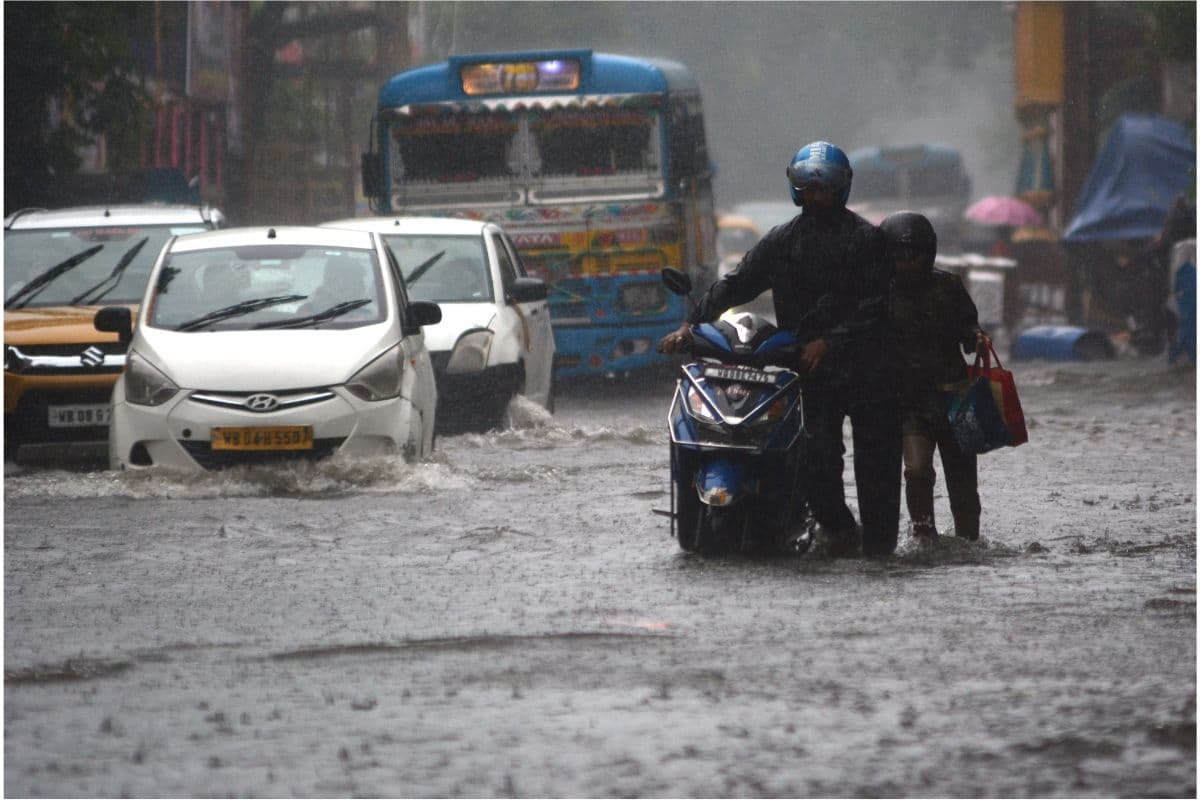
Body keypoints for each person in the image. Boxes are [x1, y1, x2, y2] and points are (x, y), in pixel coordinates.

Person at [659, 141, 901, 557]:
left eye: (821, 189)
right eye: (805, 188)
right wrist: (690, 324)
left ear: (840, 189)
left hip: (865, 369)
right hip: (806, 367)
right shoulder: (782, 241)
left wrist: (831, 341)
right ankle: (838, 532)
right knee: (815, 458)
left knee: (876, 469)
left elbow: (878, 306)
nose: (812, 196)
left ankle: (879, 552)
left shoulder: (866, 240)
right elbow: (735, 284)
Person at [880, 211, 989, 542]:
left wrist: (977, 337)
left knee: (963, 482)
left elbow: (968, 327)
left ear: (928, 254)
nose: (907, 263)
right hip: (911, 400)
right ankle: (924, 537)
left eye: (914, 255)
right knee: (916, 471)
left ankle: (969, 541)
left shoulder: (948, 286)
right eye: (899, 256)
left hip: (955, 396)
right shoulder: (879, 294)